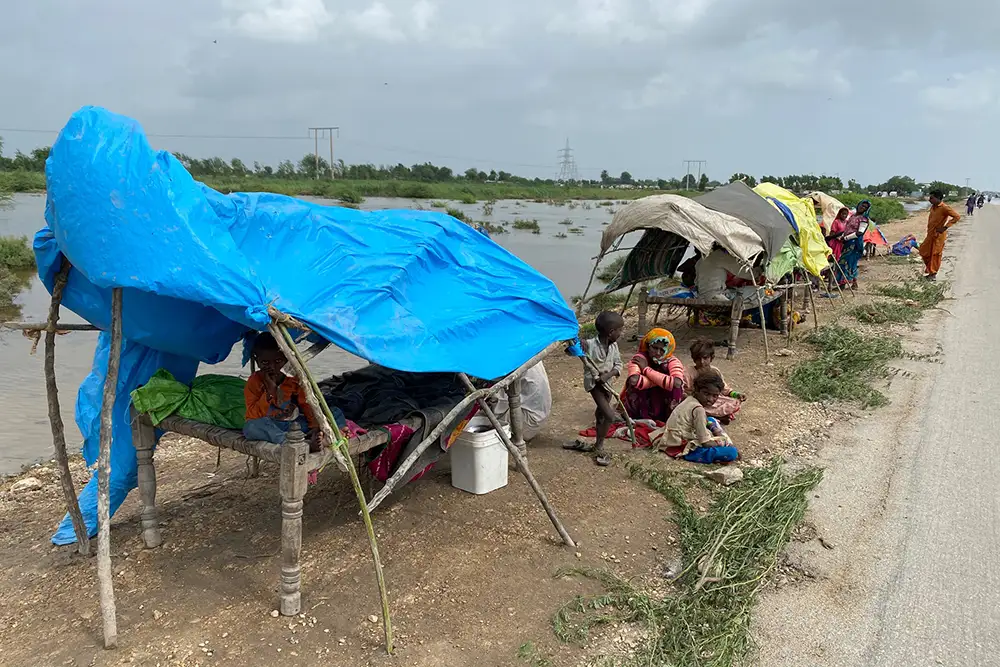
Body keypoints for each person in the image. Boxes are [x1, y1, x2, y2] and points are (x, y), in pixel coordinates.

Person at [565, 311, 624, 466]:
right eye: (620, 330)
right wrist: (576, 344)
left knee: (601, 415)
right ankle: (599, 446)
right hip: (595, 386)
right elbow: (570, 351)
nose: (621, 333)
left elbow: (619, 365)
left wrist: (609, 374)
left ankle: (597, 444)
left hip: (608, 385)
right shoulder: (590, 345)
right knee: (610, 416)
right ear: (611, 332)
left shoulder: (614, 346)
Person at [244, 332, 319, 449]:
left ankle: (309, 439)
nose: (273, 367)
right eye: (265, 363)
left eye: (278, 361)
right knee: (251, 427)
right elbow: (252, 415)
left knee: (329, 413)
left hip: (293, 424)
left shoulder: (294, 378)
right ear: (257, 361)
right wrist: (270, 391)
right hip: (270, 425)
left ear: (287, 358)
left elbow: (306, 403)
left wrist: (314, 426)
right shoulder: (254, 381)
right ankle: (293, 442)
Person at [659, 371, 739, 464]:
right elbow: (706, 443)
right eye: (706, 393)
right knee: (732, 452)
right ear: (696, 390)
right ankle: (704, 455)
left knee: (710, 420)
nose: (710, 399)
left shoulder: (690, 399)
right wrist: (723, 442)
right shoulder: (698, 409)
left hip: (672, 439)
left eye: (715, 396)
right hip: (682, 447)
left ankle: (721, 441)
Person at [621, 327, 686, 422]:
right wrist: (663, 381)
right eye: (655, 348)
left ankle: (669, 417)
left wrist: (646, 370)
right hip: (643, 405)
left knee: (676, 389)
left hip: (665, 403)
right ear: (648, 346)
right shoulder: (640, 358)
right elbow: (634, 380)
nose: (658, 353)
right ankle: (639, 416)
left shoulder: (673, 361)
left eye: (662, 349)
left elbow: (677, 383)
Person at [684, 338, 746, 423]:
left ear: (711, 358)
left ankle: (713, 416)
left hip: (711, 401)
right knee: (693, 408)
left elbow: (723, 388)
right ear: (694, 359)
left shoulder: (715, 371)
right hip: (695, 401)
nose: (702, 362)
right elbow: (685, 392)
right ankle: (715, 417)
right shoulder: (688, 373)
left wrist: (735, 394)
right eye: (698, 359)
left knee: (733, 402)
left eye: (705, 358)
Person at [919, 190, 961, 281]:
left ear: (938, 198)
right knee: (923, 251)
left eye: (932, 198)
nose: (929, 200)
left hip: (938, 236)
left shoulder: (945, 208)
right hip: (930, 234)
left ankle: (933, 274)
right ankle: (931, 271)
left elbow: (957, 216)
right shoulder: (933, 207)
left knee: (935, 255)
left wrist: (945, 227)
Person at [838, 200, 871, 290]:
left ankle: (844, 284)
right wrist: (842, 236)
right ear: (858, 204)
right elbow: (847, 228)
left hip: (854, 243)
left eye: (865, 207)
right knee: (846, 262)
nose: (862, 207)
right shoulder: (852, 216)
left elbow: (860, 233)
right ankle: (850, 283)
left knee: (848, 262)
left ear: (866, 210)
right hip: (847, 242)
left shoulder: (864, 219)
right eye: (862, 205)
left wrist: (846, 238)